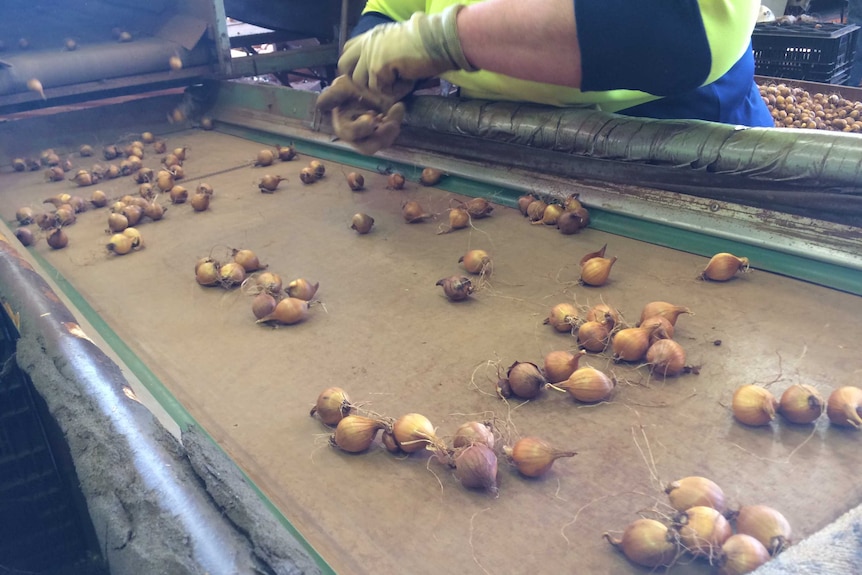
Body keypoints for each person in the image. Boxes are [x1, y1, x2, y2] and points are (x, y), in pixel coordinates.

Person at [317, 0, 774, 154]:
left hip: (678, 139)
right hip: (494, 140)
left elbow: (687, 30)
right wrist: (373, 61)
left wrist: (443, 42)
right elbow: (396, 7)